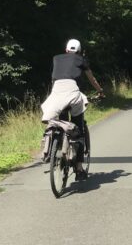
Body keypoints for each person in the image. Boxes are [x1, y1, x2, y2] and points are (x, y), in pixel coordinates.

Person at [40, 39, 104, 170]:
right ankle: (79, 167)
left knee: (60, 123)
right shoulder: (81, 59)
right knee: (78, 129)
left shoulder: (56, 58)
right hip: (72, 93)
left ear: (66, 50)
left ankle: (54, 150)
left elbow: (54, 78)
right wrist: (100, 91)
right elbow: (92, 79)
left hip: (56, 92)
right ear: (79, 51)